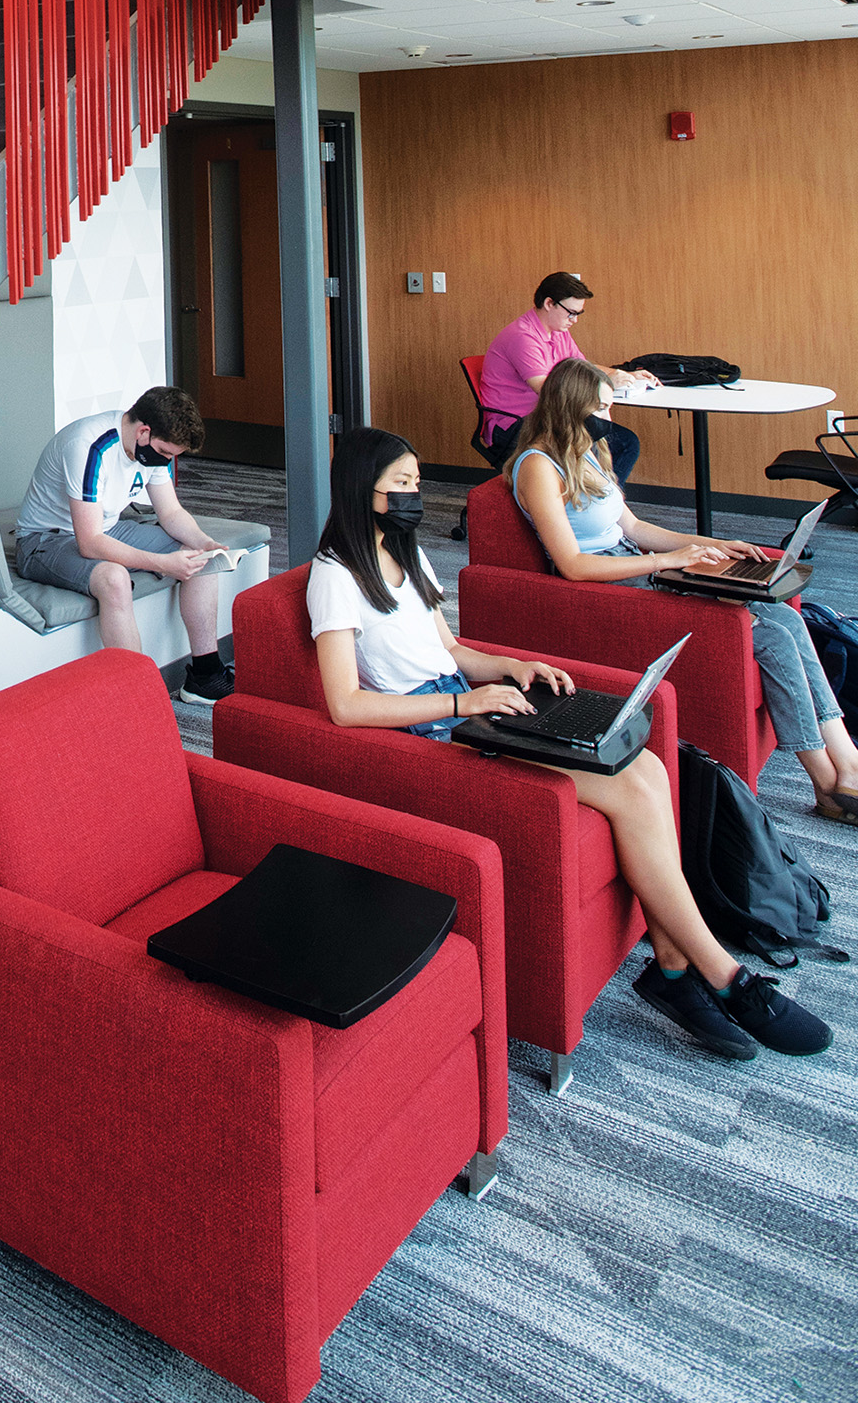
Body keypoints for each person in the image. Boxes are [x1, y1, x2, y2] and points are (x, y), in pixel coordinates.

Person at [310, 426, 832, 1059]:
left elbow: (448, 649)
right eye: (403, 485)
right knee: (628, 781)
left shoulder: (408, 553)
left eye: (418, 482)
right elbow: (344, 705)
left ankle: (673, 968)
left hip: (472, 705)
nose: (417, 495)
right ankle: (724, 977)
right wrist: (461, 703)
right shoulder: (334, 576)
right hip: (436, 729)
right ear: (363, 489)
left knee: (647, 770)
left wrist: (507, 666)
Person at [511, 359, 858, 827]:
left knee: (788, 619)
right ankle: (824, 781)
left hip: (634, 560)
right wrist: (667, 562)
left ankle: (848, 761)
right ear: (571, 406)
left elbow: (631, 526)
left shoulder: (588, 450)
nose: (609, 419)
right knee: (770, 636)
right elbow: (571, 565)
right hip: (611, 581)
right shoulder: (539, 466)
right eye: (601, 408)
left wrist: (707, 545)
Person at [13, 387, 234, 700]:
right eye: (166, 452)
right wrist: (162, 563)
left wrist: (205, 542)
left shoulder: (151, 449)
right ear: (144, 431)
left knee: (200, 555)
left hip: (106, 528)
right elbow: (89, 543)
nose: (168, 460)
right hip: (44, 540)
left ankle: (205, 675)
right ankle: (139, 698)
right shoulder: (89, 446)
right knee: (114, 579)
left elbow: (170, 513)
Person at [478, 272, 657, 487]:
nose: (575, 320)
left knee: (620, 440)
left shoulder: (558, 330)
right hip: (516, 426)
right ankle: (591, 505)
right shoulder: (522, 337)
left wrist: (619, 375)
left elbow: (581, 367)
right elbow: (550, 392)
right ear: (549, 303)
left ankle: (596, 504)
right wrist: (607, 385)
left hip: (545, 417)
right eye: (571, 313)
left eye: (578, 313)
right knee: (621, 442)